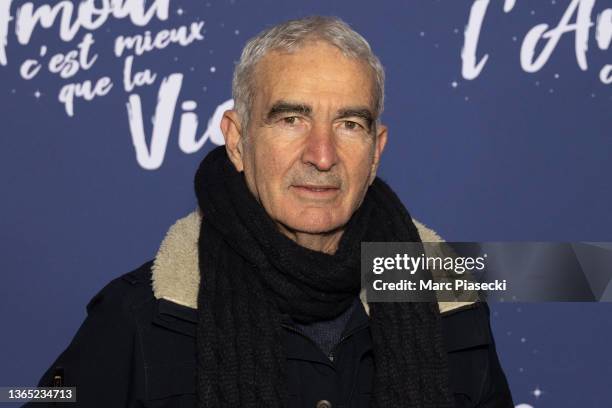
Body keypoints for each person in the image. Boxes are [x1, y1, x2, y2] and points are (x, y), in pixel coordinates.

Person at [25, 16, 514, 408]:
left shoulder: (452, 303)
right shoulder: (140, 316)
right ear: (238, 141)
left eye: (349, 124)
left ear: (376, 151)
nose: (321, 155)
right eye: (291, 119)